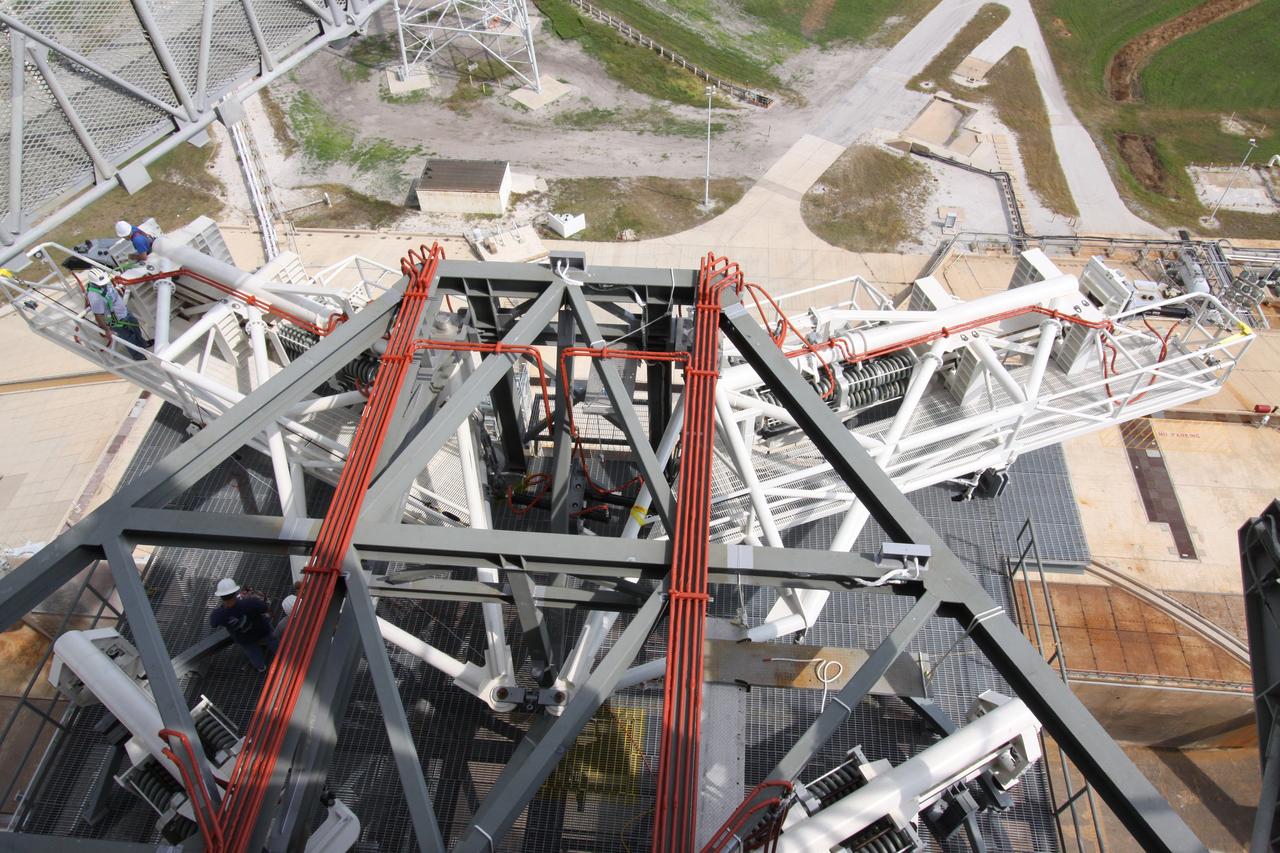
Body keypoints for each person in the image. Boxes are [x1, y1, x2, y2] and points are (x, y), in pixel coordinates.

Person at [209, 577, 278, 672]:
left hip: (243, 638)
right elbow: (265, 608)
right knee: (272, 641)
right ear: (235, 593)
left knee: (253, 652)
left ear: (221, 596)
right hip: (262, 631)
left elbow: (213, 624)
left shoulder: (218, 615)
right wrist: (273, 616)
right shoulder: (250, 602)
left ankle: (261, 667)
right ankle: (281, 654)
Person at [85, 269, 151, 360]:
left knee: (135, 327)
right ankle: (138, 356)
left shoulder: (105, 282)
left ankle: (143, 344)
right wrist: (107, 330)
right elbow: (98, 315)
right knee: (128, 337)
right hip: (116, 320)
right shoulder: (95, 297)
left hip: (124, 311)